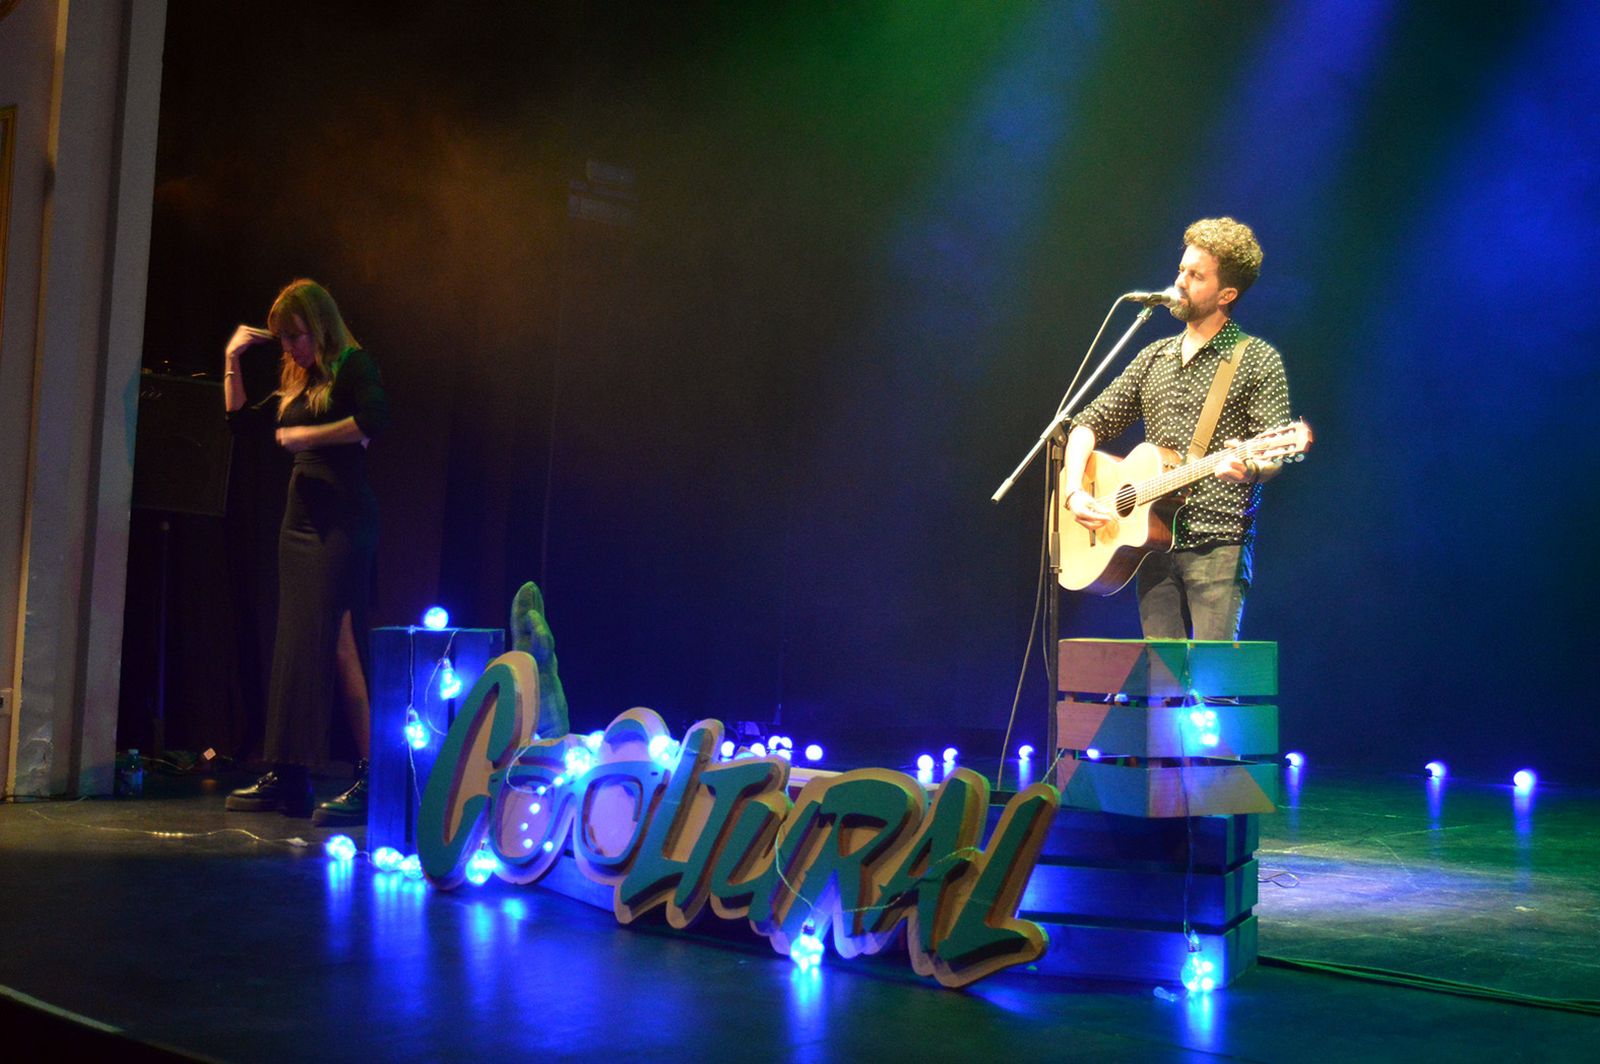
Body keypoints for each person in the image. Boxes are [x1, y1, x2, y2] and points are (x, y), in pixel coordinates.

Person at [1063, 218, 1290, 641]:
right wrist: (1076, 490)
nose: (1180, 281)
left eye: (1196, 276)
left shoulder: (1257, 360)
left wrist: (1252, 468)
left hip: (1217, 544)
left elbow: (1274, 453)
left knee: (1215, 686)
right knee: (1162, 686)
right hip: (1151, 547)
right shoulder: (1155, 356)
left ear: (1227, 294)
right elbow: (1085, 424)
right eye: (1181, 269)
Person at [222, 280, 389, 820]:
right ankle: (288, 775)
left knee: (340, 642)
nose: (290, 348)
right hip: (299, 522)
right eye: (283, 340)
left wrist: (308, 439)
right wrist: (232, 361)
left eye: (295, 336)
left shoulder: (354, 365)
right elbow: (244, 426)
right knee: (293, 643)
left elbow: (373, 422)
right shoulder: (300, 376)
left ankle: (374, 777)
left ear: (319, 326)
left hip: (343, 519)